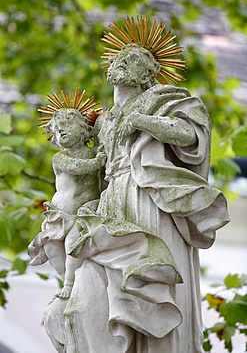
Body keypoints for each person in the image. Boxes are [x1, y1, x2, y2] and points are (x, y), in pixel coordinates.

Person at [42, 18, 230, 353]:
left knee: (150, 282)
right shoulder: (103, 120)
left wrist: (143, 121)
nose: (119, 64)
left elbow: (191, 134)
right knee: (88, 296)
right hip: (110, 202)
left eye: (131, 60)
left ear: (148, 74)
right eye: (117, 59)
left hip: (149, 197)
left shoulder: (162, 99)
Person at [28, 104, 105, 299]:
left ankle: (71, 283)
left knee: (73, 244)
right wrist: (97, 162)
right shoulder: (60, 157)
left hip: (84, 211)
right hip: (59, 213)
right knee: (52, 248)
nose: (60, 129)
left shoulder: (94, 151)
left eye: (66, 124)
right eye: (56, 128)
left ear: (83, 128)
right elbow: (76, 167)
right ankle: (67, 279)